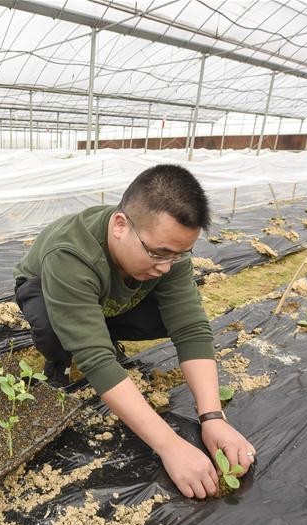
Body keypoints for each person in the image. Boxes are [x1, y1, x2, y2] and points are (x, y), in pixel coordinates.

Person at [13, 164, 255, 499]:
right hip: (44, 287)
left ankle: (100, 326)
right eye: (158, 253)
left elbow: (191, 327)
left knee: (167, 317)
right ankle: (57, 363)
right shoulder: (71, 254)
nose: (166, 266)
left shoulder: (166, 251)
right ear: (119, 226)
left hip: (108, 296)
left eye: (179, 254)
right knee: (59, 334)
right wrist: (170, 445)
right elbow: (96, 359)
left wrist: (213, 417)